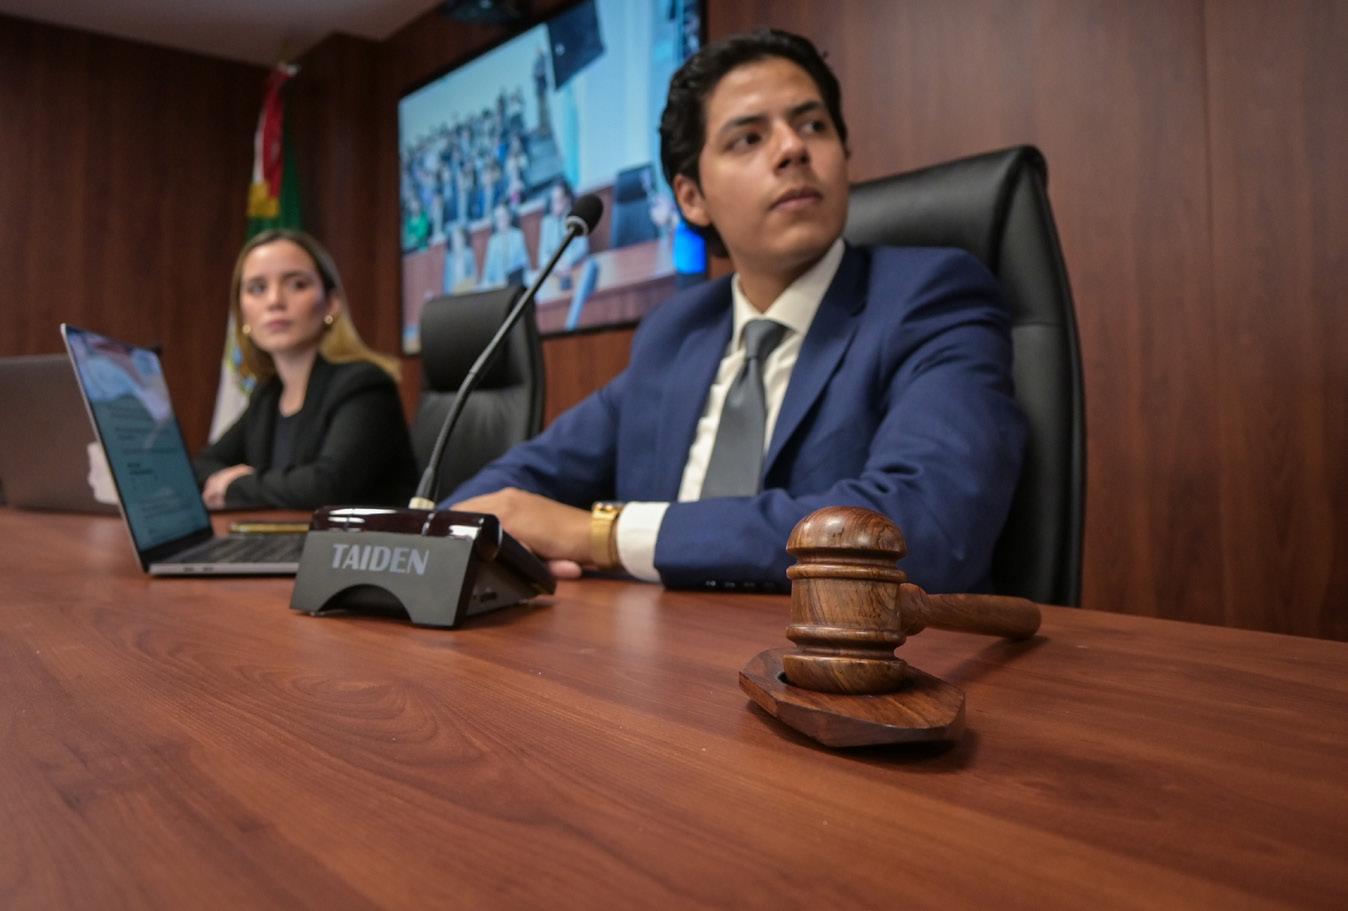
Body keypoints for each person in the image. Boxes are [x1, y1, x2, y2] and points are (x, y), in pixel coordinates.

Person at [447, 29, 1026, 594]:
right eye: (748, 138)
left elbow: (928, 527)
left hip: (836, 652)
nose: (793, 148)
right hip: (651, 647)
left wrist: (601, 536)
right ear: (691, 198)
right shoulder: (676, 332)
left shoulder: (930, 298)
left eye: (813, 125)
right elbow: (517, 487)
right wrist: (463, 532)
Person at [195, 229, 418, 510]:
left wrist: (238, 485)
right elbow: (201, 466)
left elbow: (326, 488)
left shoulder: (364, 384)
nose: (275, 301)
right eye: (257, 288)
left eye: (297, 284)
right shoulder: (268, 394)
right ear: (243, 314)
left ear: (332, 304)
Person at [536, 179, 590, 287]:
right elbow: (542, 256)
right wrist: (555, 265)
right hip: (555, 275)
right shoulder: (547, 223)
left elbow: (582, 248)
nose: (554, 205)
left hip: (576, 271)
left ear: (567, 200)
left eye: (558, 200)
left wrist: (566, 262)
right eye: (553, 201)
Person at [480, 202, 532, 288]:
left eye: (504, 216)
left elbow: (525, 264)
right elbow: (487, 273)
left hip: (515, 286)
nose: (502, 221)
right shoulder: (493, 241)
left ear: (509, 217)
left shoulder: (518, 235)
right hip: (498, 287)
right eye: (498, 218)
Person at [442, 222, 479, 294]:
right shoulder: (449, 258)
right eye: (454, 239)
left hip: (468, 291)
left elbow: (474, 276)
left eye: (459, 238)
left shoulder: (469, 254)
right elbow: (446, 283)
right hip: (453, 294)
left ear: (463, 240)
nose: (457, 242)